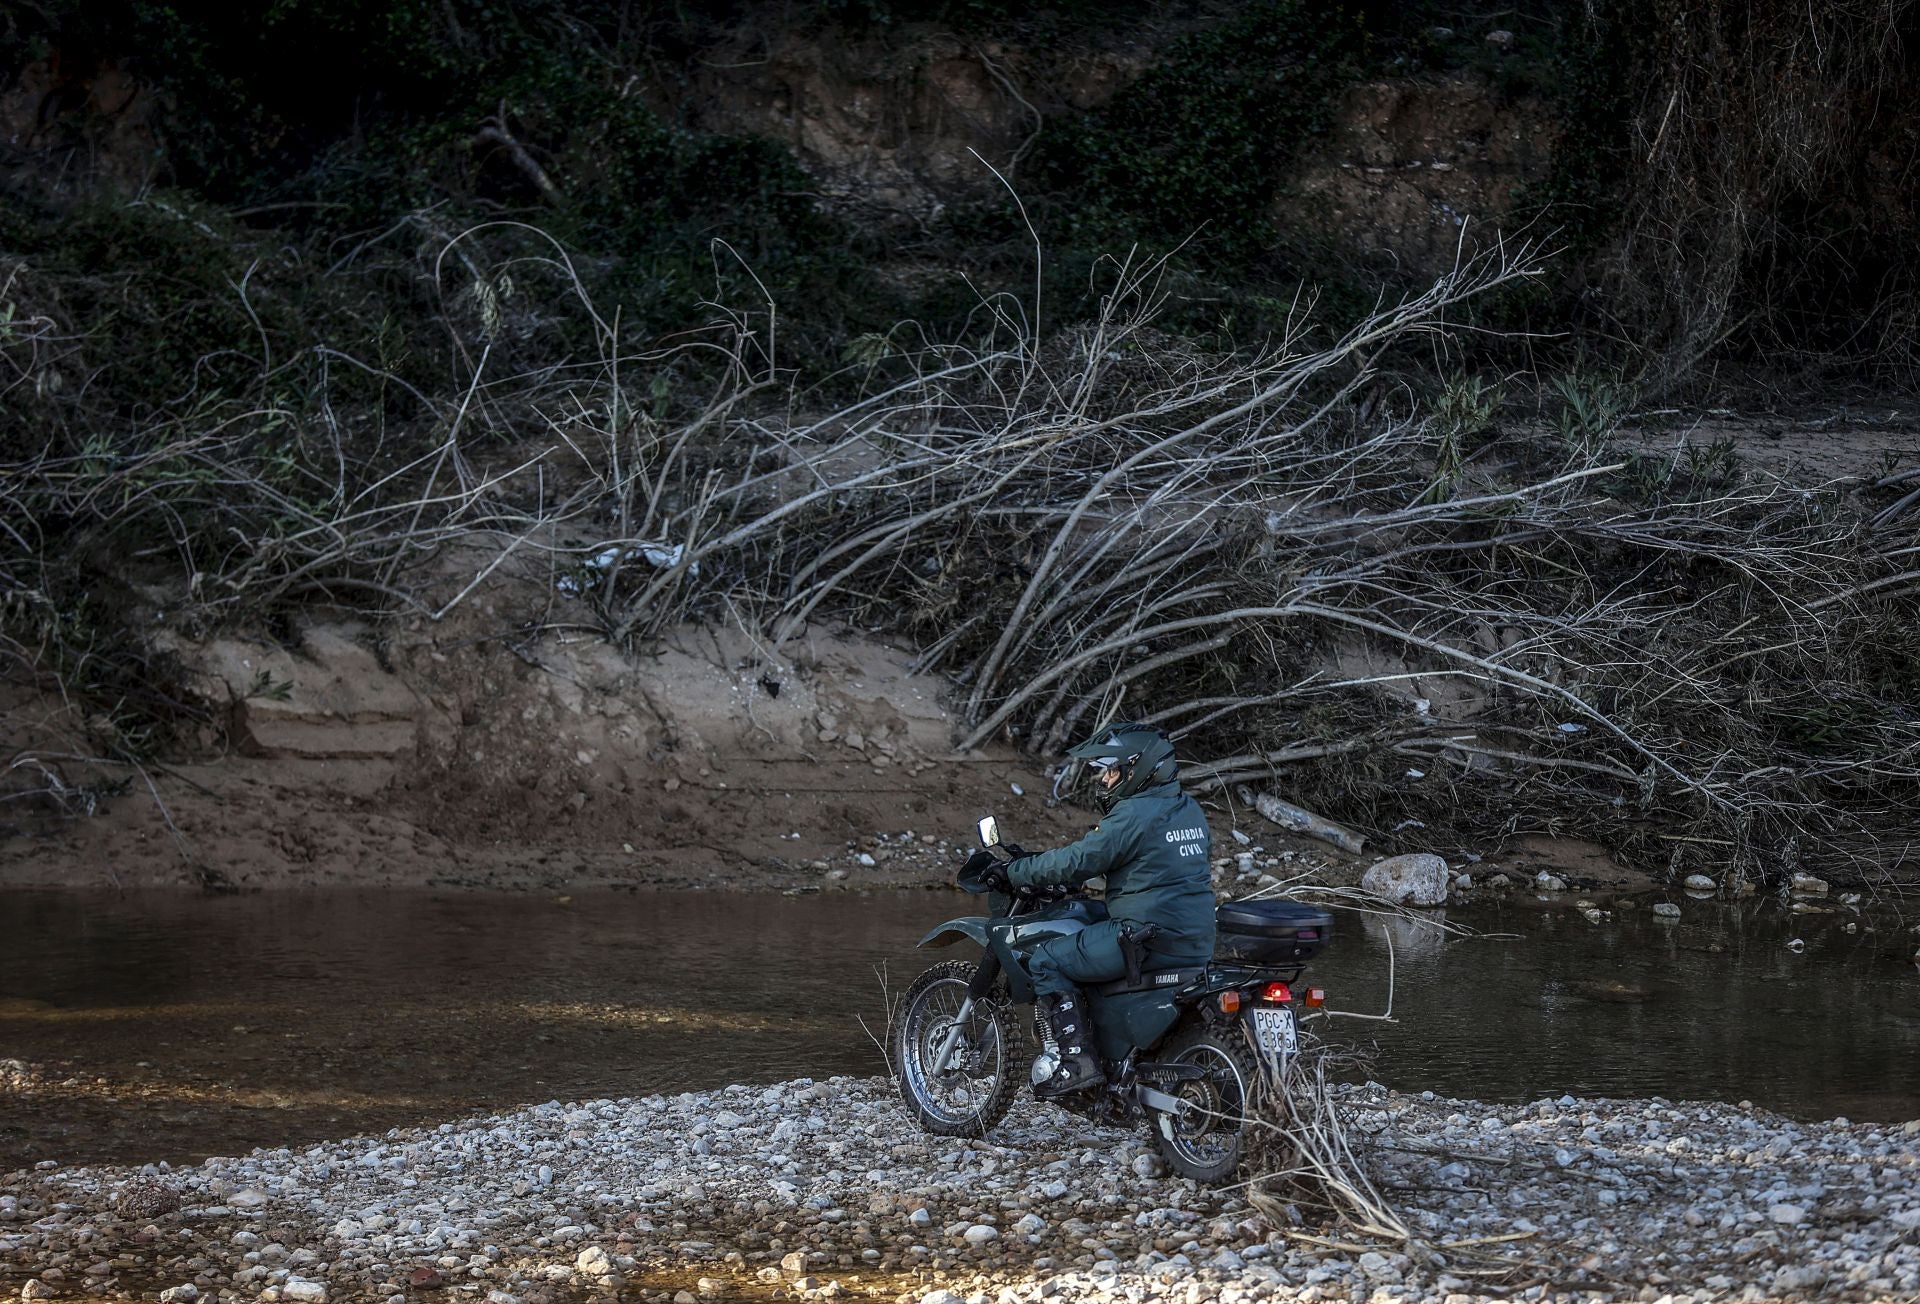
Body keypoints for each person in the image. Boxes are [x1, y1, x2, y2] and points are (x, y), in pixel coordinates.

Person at [1003, 722, 1215, 1098]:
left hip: (1147, 936)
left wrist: (1018, 870)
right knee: (1093, 918)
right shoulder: (1188, 809)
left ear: (1139, 769)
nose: (1105, 779)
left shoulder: (1135, 813)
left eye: (1113, 770)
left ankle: (1077, 1065)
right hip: (1194, 938)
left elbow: (1082, 859)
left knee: (1047, 960)